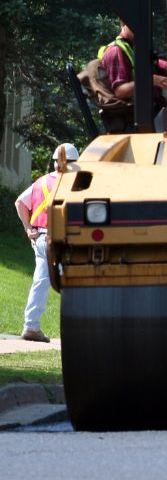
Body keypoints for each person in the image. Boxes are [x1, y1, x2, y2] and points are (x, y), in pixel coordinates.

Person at [13, 143, 79, 342]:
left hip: (41, 238)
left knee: (40, 282)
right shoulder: (72, 183)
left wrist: (27, 228)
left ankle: (31, 326)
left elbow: (19, 203)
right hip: (64, 239)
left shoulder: (41, 182)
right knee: (76, 282)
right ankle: (79, 329)